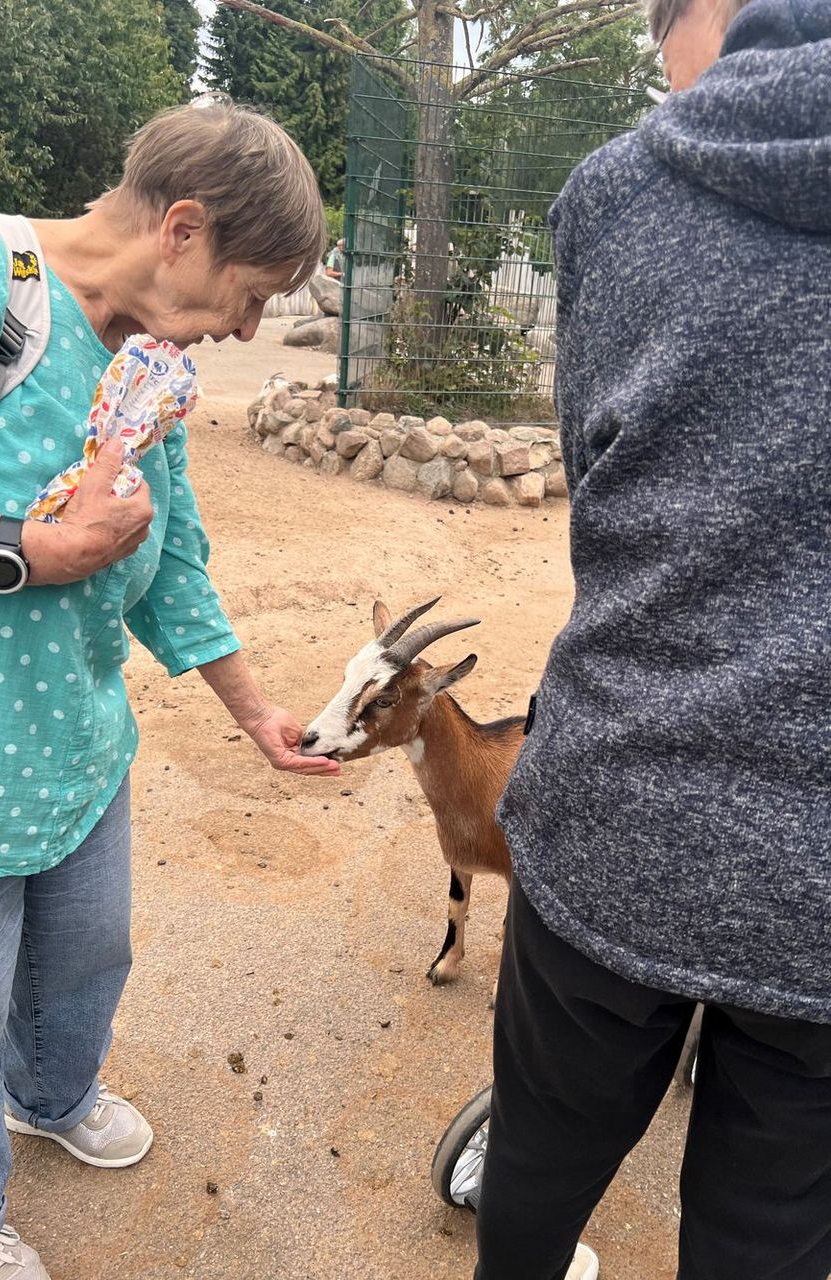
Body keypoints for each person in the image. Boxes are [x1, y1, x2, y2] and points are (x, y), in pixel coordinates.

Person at [0, 100, 340, 1280]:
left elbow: (171, 556)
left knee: (84, 955)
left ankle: (52, 1091)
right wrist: (34, 547)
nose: (247, 328)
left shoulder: (155, 362)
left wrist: (253, 708)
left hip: (75, 746)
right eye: (254, 293)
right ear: (182, 228)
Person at [474, 1, 831, 1278]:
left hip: (620, 800)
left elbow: (598, 475)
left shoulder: (614, 190)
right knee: (771, 1232)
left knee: (533, 1172)